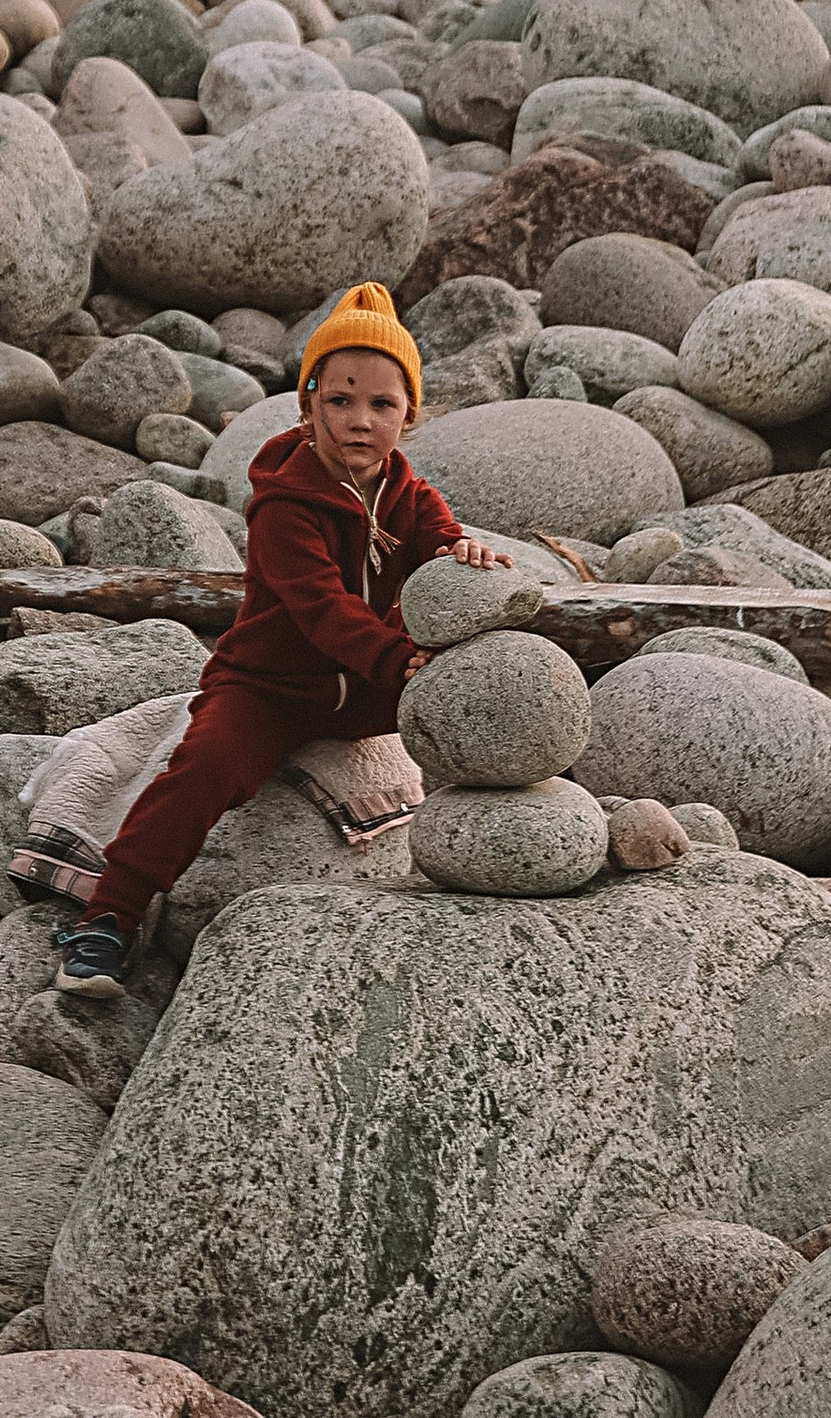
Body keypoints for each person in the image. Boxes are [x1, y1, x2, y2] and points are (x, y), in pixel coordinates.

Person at [53, 281, 511, 998]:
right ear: (306, 406)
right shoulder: (283, 505)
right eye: (340, 400)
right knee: (204, 766)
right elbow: (320, 609)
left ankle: (524, 842)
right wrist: (401, 660)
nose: (360, 421)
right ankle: (107, 916)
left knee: (479, 703)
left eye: (382, 404)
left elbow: (441, 542)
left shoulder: (407, 491)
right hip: (270, 688)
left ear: (410, 415)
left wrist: (465, 556)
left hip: (364, 695)